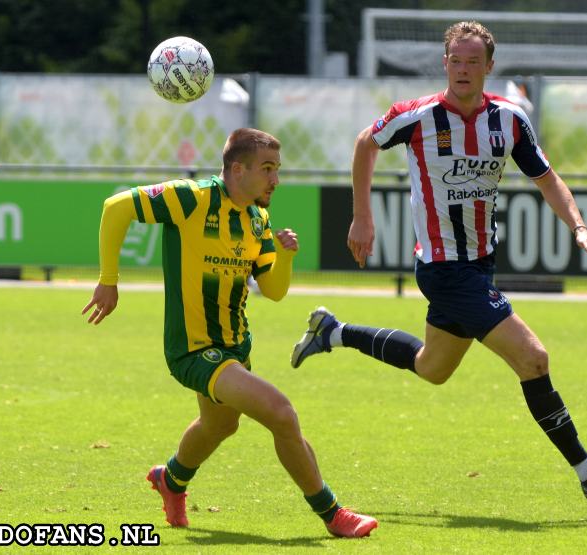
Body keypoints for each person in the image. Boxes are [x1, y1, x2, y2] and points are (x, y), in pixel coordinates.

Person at [291, 21, 587, 505]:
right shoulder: (416, 116)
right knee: (534, 359)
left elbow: (547, 179)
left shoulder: (508, 120)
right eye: (455, 61)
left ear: (489, 67)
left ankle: (333, 331)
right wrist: (362, 216)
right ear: (445, 64)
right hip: (444, 269)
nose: (463, 70)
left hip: (480, 265)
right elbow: (365, 144)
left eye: (472, 62)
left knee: (431, 367)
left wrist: (579, 228)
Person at [83, 128, 377, 538]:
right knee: (281, 413)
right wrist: (109, 280)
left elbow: (273, 291)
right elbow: (115, 208)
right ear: (237, 169)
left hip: (236, 347)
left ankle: (171, 479)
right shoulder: (192, 199)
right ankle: (333, 514)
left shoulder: (258, 219)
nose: (276, 179)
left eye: (277, 169)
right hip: (193, 350)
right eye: (267, 169)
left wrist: (286, 257)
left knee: (221, 426)